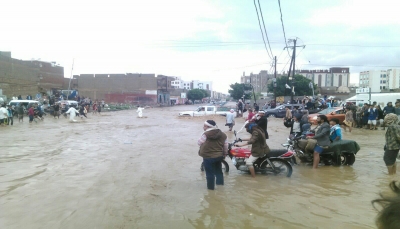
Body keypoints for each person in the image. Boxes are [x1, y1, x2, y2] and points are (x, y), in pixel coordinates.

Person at [198, 120, 228, 190]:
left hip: (208, 157)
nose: (203, 127)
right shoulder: (223, 134)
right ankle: (220, 186)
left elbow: (199, 143)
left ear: (208, 127)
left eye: (204, 126)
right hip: (218, 156)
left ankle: (211, 190)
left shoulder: (206, 134)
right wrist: (224, 154)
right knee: (219, 172)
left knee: (209, 174)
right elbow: (225, 145)